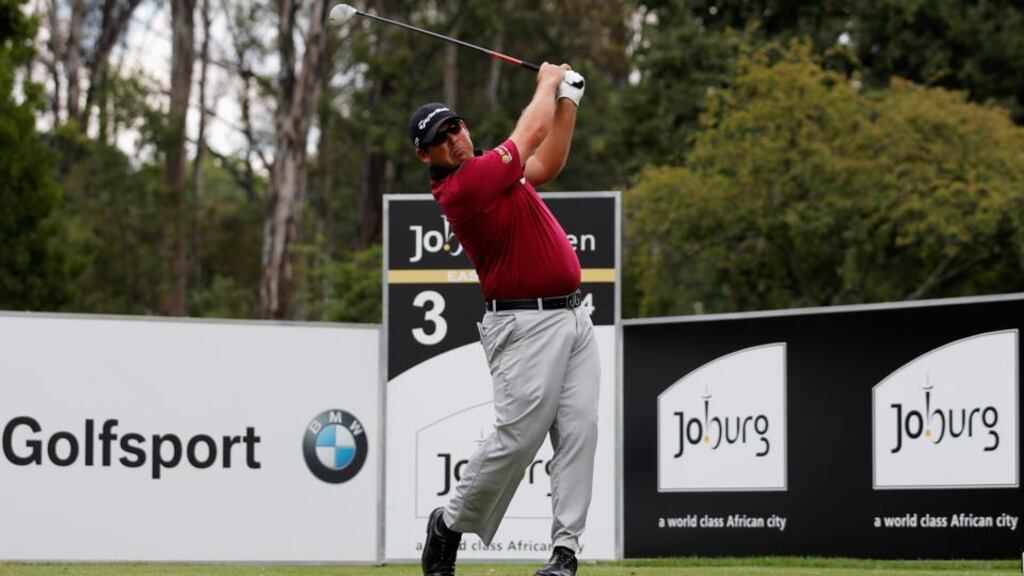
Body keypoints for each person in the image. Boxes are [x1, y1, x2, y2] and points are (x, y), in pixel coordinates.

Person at [407, 63, 598, 576]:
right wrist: (547, 82)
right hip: (522, 326)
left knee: (579, 432)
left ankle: (564, 554)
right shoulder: (464, 186)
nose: (456, 138)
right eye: (441, 138)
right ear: (426, 155)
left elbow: (548, 160)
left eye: (457, 127)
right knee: (518, 439)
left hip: (574, 317)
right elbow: (529, 133)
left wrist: (568, 102)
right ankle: (447, 525)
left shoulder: (496, 171)